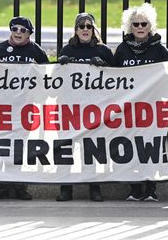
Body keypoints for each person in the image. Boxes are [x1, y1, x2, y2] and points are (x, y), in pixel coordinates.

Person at [0, 16, 49, 200]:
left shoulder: (36, 51)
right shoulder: (0, 48)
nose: (18, 33)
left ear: (29, 34)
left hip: (25, 106)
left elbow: (48, 76)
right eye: (15, 29)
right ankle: (0, 185)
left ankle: (19, 186)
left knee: (20, 145)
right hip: (2, 106)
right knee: (1, 144)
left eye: (23, 30)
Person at [112, 3, 168, 202]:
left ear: (150, 26)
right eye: (135, 23)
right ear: (130, 26)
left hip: (152, 109)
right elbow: (112, 77)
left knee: (151, 147)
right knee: (131, 146)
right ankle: (135, 188)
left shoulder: (160, 50)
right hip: (129, 109)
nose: (139, 27)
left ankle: (151, 188)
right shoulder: (122, 50)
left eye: (144, 24)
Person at [56, 12, 113, 202]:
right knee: (66, 148)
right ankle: (66, 188)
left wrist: (104, 65)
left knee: (91, 149)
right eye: (82, 26)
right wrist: (61, 64)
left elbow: (117, 77)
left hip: (94, 107)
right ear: (76, 30)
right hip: (70, 107)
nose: (86, 29)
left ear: (94, 29)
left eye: (89, 26)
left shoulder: (103, 50)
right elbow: (56, 79)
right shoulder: (67, 49)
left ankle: (94, 188)